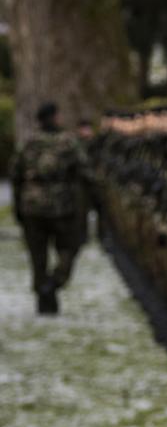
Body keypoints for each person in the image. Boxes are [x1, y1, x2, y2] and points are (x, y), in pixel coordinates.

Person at [12, 101, 91, 315]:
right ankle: (53, 284)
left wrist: (18, 206)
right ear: (54, 117)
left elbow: (16, 176)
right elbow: (85, 171)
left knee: (38, 258)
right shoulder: (68, 142)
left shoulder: (28, 143)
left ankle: (44, 299)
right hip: (61, 207)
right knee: (68, 249)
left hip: (32, 207)